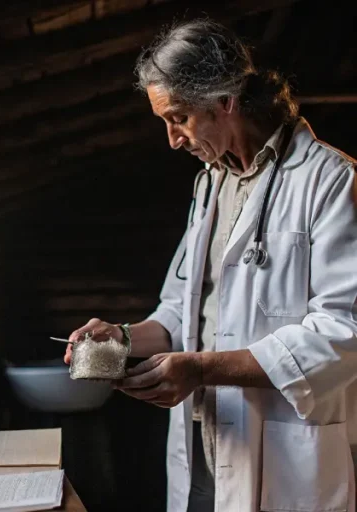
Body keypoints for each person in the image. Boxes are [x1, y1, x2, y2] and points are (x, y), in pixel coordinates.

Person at [62, 19, 357, 512]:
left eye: (178, 117)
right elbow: (180, 311)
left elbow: (342, 331)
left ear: (225, 101)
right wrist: (125, 337)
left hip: (283, 448)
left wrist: (200, 369)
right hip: (204, 435)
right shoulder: (210, 186)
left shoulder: (329, 181)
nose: (172, 139)